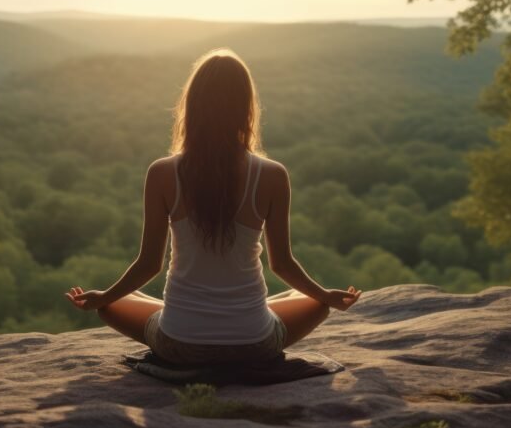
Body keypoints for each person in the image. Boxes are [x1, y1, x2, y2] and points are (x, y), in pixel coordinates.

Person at [65, 48, 362, 365]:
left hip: (179, 343)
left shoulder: (162, 173)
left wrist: (104, 297)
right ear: (246, 110)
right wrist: (327, 297)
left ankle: (168, 315)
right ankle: (254, 315)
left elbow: (149, 265)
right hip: (255, 344)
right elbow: (283, 265)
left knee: (113, 303)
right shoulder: (273, 175)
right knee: (314, 301)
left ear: (191, 107)